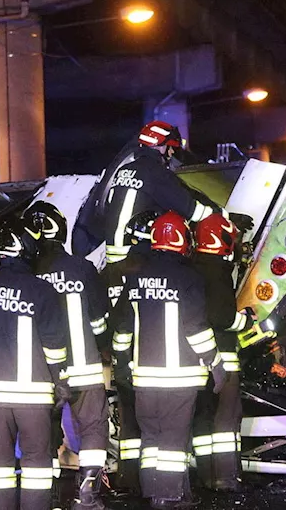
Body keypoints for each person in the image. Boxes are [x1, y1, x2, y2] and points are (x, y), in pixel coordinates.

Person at [110, 210, 223, 509]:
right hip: (180, 378)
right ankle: (169, 496)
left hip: (143, 378)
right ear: (182, 239)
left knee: (151, 436)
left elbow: (122, 327)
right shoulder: (189, 278)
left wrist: (122, 362)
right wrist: (215, 361)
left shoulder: (135, 279)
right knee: (174, 439)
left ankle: (153, 491)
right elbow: (196, 328)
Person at [0, 220, 70, 510]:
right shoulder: (41, 291)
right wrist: (59, 382)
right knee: (37, 464)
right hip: (32, 397)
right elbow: (54, 346)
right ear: (28, 249)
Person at [23, 201, 112, 510]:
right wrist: (104, 347)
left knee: (41, 434)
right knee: (93, 427)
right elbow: (100, 321)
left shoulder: (28, 274)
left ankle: (42, 498)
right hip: (84, 367)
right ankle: (87, 496)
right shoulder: (83, 267)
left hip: (42, 374)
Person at [188, 213, 255, 491]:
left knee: (203, 419)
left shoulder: (191, 267)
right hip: (223, 359)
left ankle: (206, 476)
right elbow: (223, 317)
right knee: (227, 418)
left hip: (195, 361)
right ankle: (227, 478)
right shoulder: (218, 271)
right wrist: (247, 320)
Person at [99, 122, 218, 267]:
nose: (172, 152)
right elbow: (190, 210)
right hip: (136, 258)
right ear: (161, 147)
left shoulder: (125, 169)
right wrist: (220, 215)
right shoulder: (155, 172)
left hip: (113, 258)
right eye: (171, 147)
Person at [107, 209, 160, 494]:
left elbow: (107, 320)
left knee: (129, 421)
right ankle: (154, 481)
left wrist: (115, 357)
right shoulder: (156, 272)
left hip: (121, 357)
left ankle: (128, 478)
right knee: (158, 426)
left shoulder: (112, 271)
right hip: (154, 359)